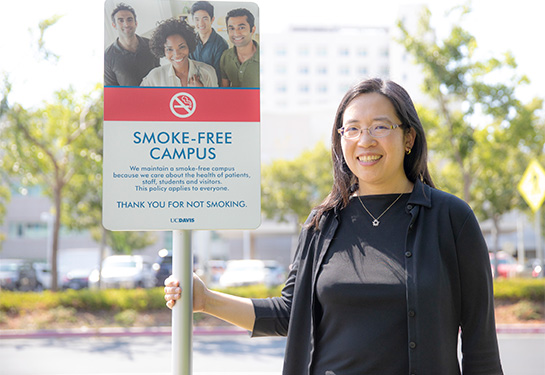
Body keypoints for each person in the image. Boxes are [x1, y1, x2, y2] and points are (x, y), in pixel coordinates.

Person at [164, 78, 504, 375]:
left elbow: (481, 346)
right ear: (340, 140)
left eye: (380, 126)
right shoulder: (322, 222)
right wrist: (206, 300)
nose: (365, 140)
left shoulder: (450, 218)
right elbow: (288, 313)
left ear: (409, 136)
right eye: (352, 128)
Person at [140, 18, 218, 87]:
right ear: (163, 50)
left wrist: (202, 92)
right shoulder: (155, 77)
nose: (177, 54)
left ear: (189, 45)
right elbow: (139, 99)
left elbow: (216, 102)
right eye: (169, 49)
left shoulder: (207, 72)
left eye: (181, 47)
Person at [104, 3, 159, 86]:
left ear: (136, 23)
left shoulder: (151, 45)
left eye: (129, 19)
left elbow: (159, 73)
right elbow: (111, 91)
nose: (126, 24)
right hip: (128, 99)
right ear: (114, 25)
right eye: (120, 20)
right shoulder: (107, 56)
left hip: (155, 96)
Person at [189, 1, 229, 84]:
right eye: (197, 19)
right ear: (193, 20)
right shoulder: (190, 41)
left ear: (212, 19)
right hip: (192, 85)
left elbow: (220, 75)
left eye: (205, 18)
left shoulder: (221, 45)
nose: (201, 23)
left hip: (212, 87)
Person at [219, 8, 259, 88]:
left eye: (241, 28)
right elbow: (224, 91)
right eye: (231, 28)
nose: (236, 33)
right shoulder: (225, 56)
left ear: (253, 29)